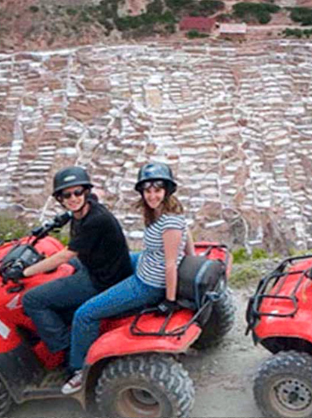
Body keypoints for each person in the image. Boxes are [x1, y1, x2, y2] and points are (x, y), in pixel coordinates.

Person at [62, 162, 195, 394]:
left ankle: (79, 370)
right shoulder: (161, 213)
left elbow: (171, 263)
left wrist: (170, 300)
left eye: (157, 190)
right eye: (147, 190)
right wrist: (192, 257)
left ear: (167, 191)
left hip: (149, 283)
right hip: (147, 261)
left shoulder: (170, 221)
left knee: (85, 314)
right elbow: (187, 233)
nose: (152, 195)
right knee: (114, 258)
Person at [20, 167, 133, 364]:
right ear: (60, 199)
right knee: (61, 270)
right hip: (102, 266)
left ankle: (64, 348)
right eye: (66, 194)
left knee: (32, 299)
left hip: (102, 280)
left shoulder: (95, 221)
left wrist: (25, 271)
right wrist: (59, 221)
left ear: (86, 192)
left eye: (78, 192)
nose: (73, 198)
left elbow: (65, 255)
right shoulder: (85, 209)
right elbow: (74, 216)